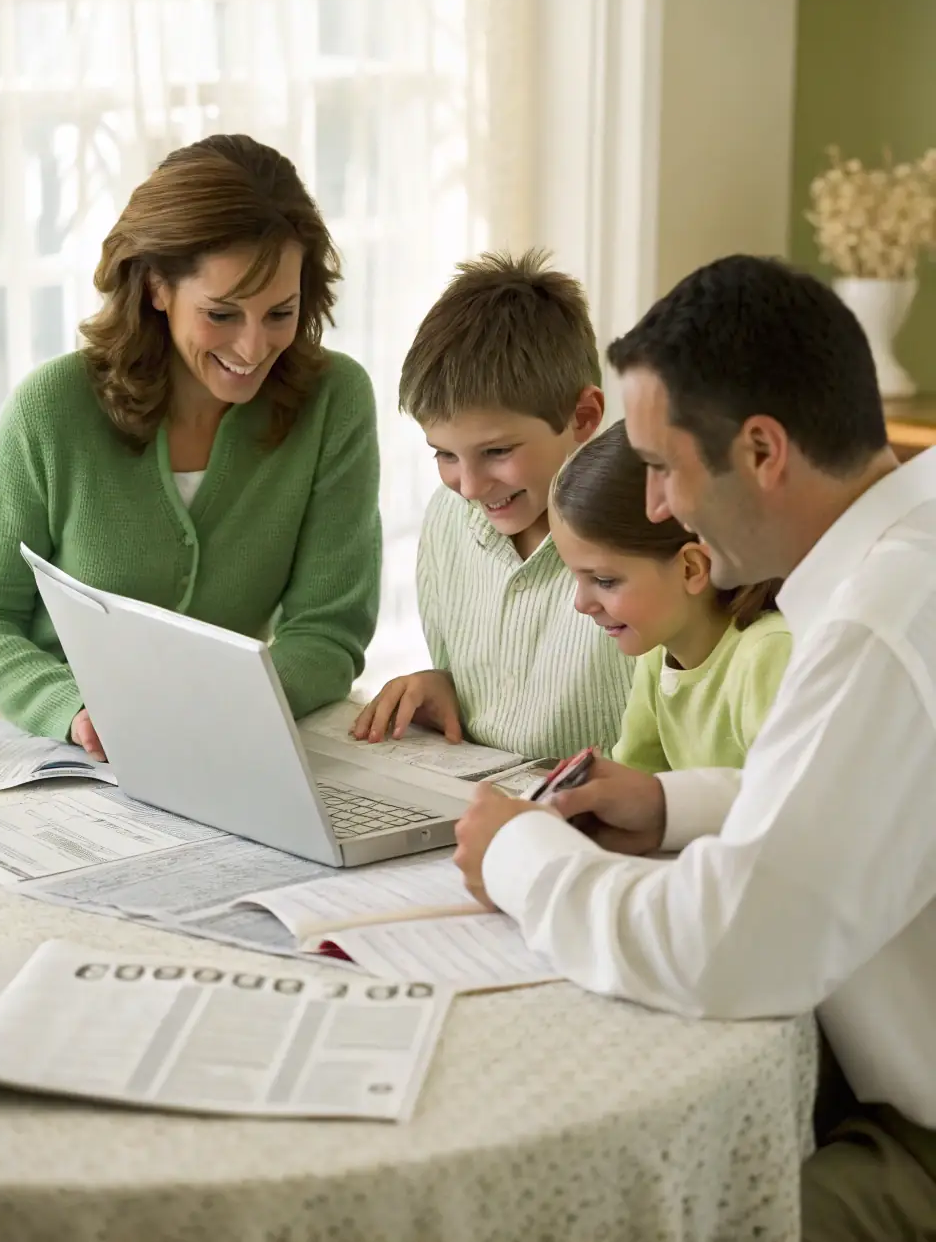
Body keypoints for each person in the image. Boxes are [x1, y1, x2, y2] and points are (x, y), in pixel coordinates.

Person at [452, 254, 936, 1238]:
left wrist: (520, 856)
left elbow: (727, 949)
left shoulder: (874, 627)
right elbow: (885, 794)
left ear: (761, 451)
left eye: (663, 468)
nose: (660, 505)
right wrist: (675, 804)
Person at [0, 135, 381, 759]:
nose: (254, 349)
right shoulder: (53, 407)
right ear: (155, 288)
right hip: (66, 749)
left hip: (234, 740)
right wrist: (74, 711)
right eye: (222, 315)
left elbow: (329, 630)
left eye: (280, 312)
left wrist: (228, 709)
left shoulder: (335, 401)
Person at [352, 250, 633, 760]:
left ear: (584, 416)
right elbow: (486, 702)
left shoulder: (643, 537)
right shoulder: (448, 517)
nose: (470, 486)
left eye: (498, 452)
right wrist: (445, 689)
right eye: (445, 454)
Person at [549, 420, 790, 778]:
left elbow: (781, 809)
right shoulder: (660, 652)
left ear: (693, 568)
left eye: (604, 580)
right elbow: (633, 780)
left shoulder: (769, 656)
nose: (581, 603)